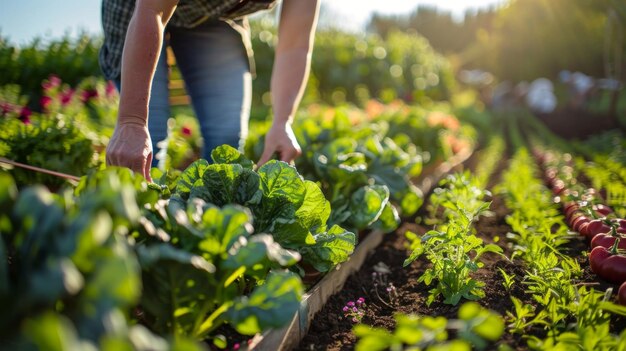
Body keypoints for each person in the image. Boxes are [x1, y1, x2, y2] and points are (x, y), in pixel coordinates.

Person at [100, 0, 320, 181]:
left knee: (226, 140)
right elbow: (152, 10)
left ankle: (204, 222)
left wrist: (282, 121)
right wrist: (132, 121)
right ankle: (137, 222)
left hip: (214, 14)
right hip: (140, 9)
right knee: (146, 141)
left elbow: (296, 46)